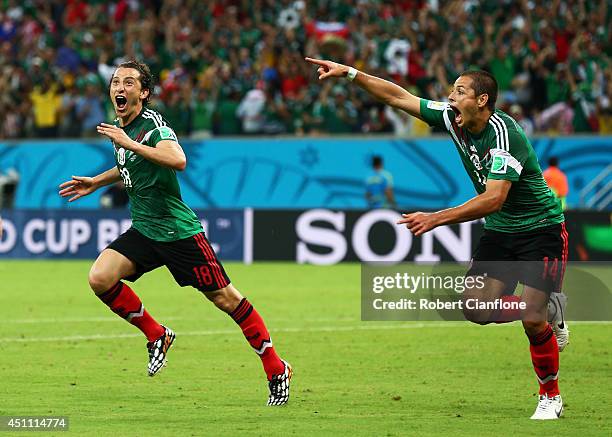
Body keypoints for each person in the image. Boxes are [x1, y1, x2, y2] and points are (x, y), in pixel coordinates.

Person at [306, 57, 569, 420]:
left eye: (459, 91)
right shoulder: (452, 118)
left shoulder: (505, 134)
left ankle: (550, 395)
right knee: (476, 308)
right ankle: (548, 307)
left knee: (532, 322)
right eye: (451, 90)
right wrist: (351, 73)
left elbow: (495, 198)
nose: (450, 96)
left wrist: (435, 218)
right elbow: (398, 97)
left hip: (539, 229)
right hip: (500, 232)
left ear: (482, 100)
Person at [58, 60, 291, 406]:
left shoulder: (152, 126)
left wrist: (128, 142)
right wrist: (97, 181)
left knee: (226, 299)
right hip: (146, 230)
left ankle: (276, 368)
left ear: (144, 92)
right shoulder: (123, 129)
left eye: (129, 83)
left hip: (178, 232)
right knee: (100, 277)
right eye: (116, 82)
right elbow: (129, 162)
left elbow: (176, 158)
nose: (120, 88)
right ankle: (157, 335)